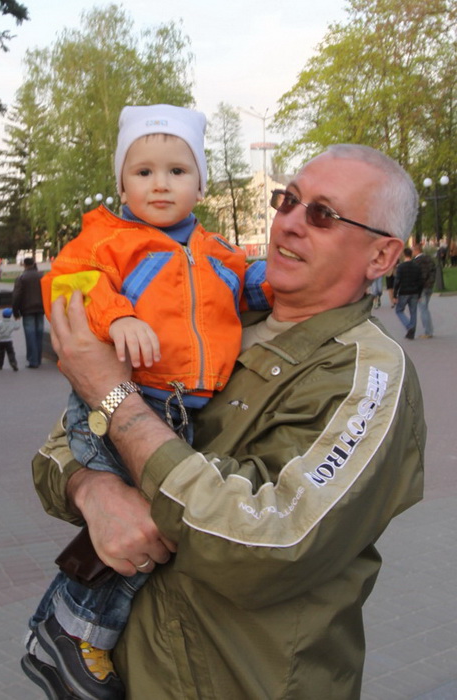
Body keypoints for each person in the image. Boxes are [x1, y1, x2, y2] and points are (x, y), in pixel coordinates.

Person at [27, 144, 426, 700]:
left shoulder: (365, 372)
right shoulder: (210, 313)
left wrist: (116, 401)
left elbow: (267, 545)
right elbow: (58, 449)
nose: (289, 223)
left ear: (382, 256)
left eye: (322, 214)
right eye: (288, 200)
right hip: (137, 673)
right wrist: (94, 490)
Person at [25, 104, 272, 699]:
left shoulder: (216, 250)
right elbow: (70, 282)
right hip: (124, 402)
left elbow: (247, 284)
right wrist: (119, 316)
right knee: (152, 519)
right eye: (143, 172)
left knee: (154, 521)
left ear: (200, 185)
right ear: (122, 184)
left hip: (178, 410)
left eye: (177, 171)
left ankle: (67, 629)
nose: (160, 184)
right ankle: (76, 629)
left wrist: (280, 280)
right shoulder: (107, 240)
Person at [12, 257, 45, 368]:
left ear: (24, 265)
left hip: (27, 309)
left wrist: (15, 311)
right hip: (40, 309)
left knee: (30, 334)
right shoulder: (42, 276)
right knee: (39, 333)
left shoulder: (21, 278)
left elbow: (16, 296)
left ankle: (33, 360)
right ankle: (38, 358)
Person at [394, 247, 422, 339]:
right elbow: (420, 281)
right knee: (413, 312)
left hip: (404, 292)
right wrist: (419, 294)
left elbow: (397, 281)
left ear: (404, 255)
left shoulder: (400, 267)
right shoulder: (416, 266)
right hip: (414, 292)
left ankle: (409, 326)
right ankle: (412, 332)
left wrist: (395, 294)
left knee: (399, 310)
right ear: (411, 255)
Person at [412, 242, 436, 338]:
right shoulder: (429, 259)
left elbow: (418, 277)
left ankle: (428, 332)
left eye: (413, 250)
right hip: (429, 287)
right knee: (425, 308)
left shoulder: (416, 262)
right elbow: (433, 271)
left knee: (423, 309)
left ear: (416, 251)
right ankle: (429, 330)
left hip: (421, 289)